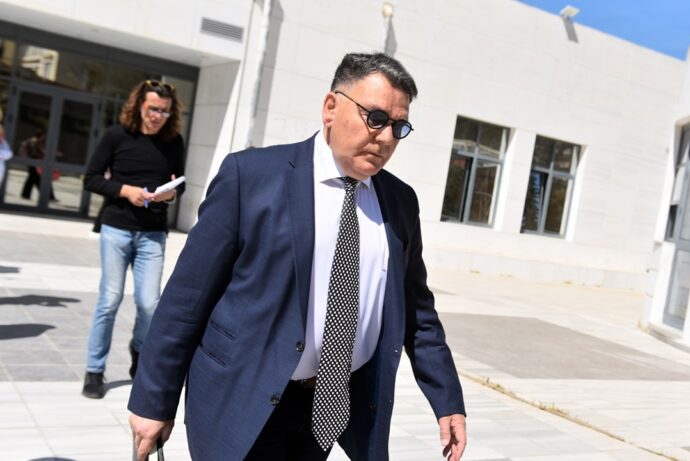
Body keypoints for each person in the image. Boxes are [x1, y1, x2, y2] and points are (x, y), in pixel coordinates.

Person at [128, 52, 467, 461]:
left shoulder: (400, 202)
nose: (386, 138)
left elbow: (417, 311)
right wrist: (153, 400)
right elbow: (187, 298)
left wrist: (447, 397)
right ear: (331, 107)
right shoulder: (250, 176)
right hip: (241, 399)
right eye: (376, 118)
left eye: (399, 126)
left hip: (326, 410)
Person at [81, 80, 185, 399]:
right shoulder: (117, 135)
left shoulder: (174, 141)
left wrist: (168, 195)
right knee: (110, 299)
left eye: (164, 111)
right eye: (153, 109)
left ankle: (139, 351)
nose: (158, 116)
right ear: (140, 105)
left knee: (149, 303)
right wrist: (126, 191)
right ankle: (94, 369)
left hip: (153, 232)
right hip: (116, 228)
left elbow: (179, 184)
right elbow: (91, 179)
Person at [19, 132, 56, 201]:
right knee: (38, 179)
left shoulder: (31, 141)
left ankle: (25, 194)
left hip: (31, 162)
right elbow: (35, 152)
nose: (43, 138)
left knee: (32, 180)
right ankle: (48, 196)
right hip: (34, 162)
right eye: (43, 136)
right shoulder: (34, 141)